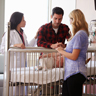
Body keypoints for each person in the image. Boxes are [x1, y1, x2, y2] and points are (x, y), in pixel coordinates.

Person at [56, 9, 89, 96]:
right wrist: (65, 46)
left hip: (75, 72)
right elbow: (76, 48)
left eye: (70, 19)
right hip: (71, 73)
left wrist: (61, 51)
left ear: (74, 19)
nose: (69, 22)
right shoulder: (80, 34)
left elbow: (74, 56)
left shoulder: (80, 34)